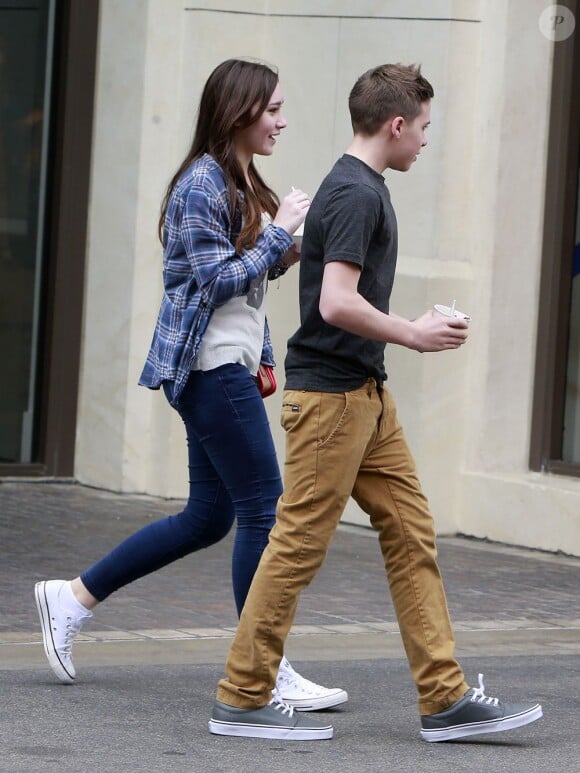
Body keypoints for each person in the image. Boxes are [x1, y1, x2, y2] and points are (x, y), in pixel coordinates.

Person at [209, 63, 543, 742]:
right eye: (422, 128)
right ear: (395, 125)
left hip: (365, 396)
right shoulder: (358, 193)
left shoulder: (354, 183)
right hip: (333, 399)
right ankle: (241, 695)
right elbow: (334, 301)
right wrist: (414, 332)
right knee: (297, 544)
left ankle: (444, 698)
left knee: (411, 532)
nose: (425, 140)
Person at [34, 58, 347, 712]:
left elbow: (243, 276)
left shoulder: (236, 178)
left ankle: (72, 596)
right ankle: (259, 666)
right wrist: (278, 233)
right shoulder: (200, 184)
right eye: (275, 109)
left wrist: (287, 246)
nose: (283, 121)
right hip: (207, 370)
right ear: (240, 111)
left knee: (209, 516)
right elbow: (213, 281)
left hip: (222, 365)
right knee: (265, 506)